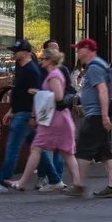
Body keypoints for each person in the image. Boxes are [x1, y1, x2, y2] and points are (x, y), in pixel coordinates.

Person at [0, 41, 44, 193]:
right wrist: (11, 111)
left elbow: (36, 94)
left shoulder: (31, 70)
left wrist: (33, 116)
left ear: (26, 52)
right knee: (37, 148)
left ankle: (2, 182)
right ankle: (55, 179)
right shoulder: (24, 69)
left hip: (25, 114)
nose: (13, 53)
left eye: (16, 51)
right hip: (22, 113)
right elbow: (20, 93)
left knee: (13, 148)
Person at [68, 39, 112, 199]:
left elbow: (102, 91)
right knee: (105, 151)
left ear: (87, 49)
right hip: (99, 114)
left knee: (84, 150)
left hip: (95, 116)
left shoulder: (94, 67)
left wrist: (104, 116)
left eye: (79, 49)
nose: (77, 52)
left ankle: (79, 185)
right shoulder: (100, 64)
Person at [26, 48, 74, 191]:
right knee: (46, 148)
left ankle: (55, 179)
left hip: (54, 115)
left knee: (43, 147)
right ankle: (53, 179)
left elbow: (62, 93)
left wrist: (39, 93)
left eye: (43, 59)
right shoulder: (43, 71)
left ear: (50, 60)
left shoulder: (56, 73)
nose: (41, 61)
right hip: (48, 115)